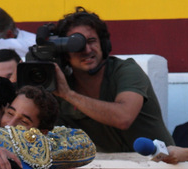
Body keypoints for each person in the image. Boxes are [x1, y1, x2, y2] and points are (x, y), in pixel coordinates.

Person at [52, 6, 173, 153]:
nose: (87, 50)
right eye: (77, 44)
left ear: (103, 44)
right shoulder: (58, 86)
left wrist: (69, 95)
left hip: (161, 165)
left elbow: (124, 118)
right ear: (65, 53)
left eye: (92, 41)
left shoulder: (127, 70)